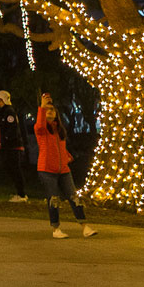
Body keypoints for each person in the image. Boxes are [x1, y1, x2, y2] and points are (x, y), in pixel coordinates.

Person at [34, 93, 95, 239]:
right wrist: (42, 107)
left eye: (52, 110)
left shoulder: (59, 131)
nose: (50, 112)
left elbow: (58, 147)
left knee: (74, 197)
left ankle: (84, 226)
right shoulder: (41, 130)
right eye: (47, 110)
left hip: (63, 170)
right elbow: (40, 124)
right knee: (53, 199)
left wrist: (66, 156)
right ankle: (56, 229)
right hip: (47, 170)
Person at [0, 90, 28, 201]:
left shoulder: (9, 111)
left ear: (1, 99)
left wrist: (6, 139)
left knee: (15, 169)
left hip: (12, 146)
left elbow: (11, 128)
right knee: (11, 168)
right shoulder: (4, 111)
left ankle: (22, 194)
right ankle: (19, 192)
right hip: (8, 146)